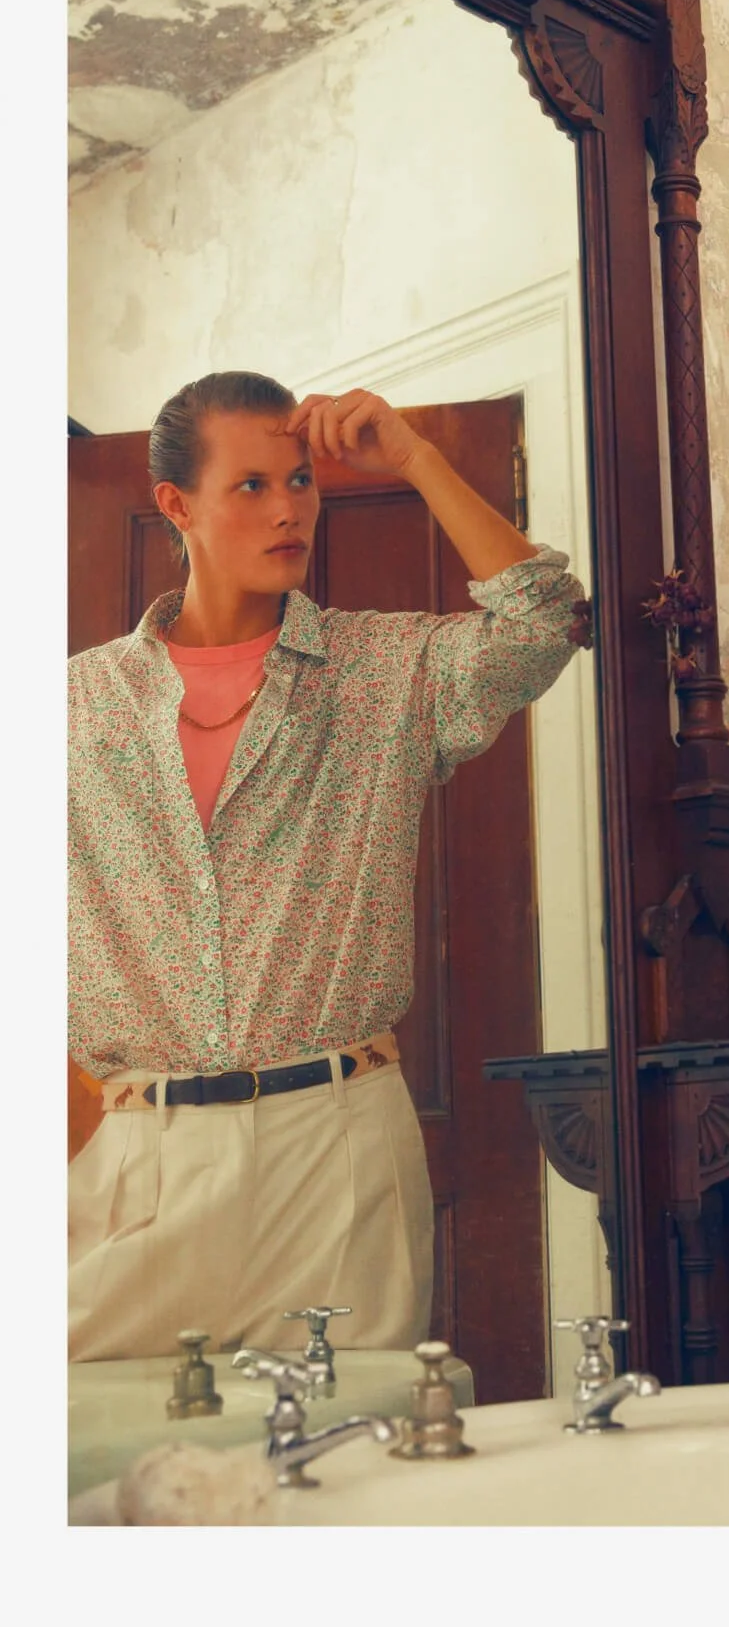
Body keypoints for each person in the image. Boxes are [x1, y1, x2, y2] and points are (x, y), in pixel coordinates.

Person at [68, 374, 587, 1361]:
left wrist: (417, 459)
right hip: (140, 1160)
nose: (289, 508)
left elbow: (543, 624)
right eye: (252, 485)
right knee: (88, 1479)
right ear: (175, 505)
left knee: (345, 1472)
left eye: (301, 480)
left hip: (336, 1152)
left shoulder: (383, 672)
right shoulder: (67, 709)